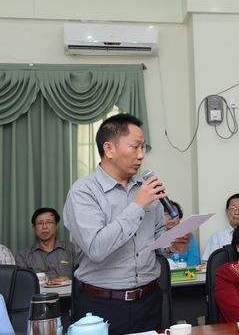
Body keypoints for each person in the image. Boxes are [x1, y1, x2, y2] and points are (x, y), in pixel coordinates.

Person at [63, 113, 190, 334]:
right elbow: (96, 249)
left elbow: (155, 239)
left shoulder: (145, 188)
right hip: (101, 305)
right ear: (109, 149)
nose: (141, 155)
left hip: (149, 300)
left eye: (143, 148)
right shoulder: (83, 192)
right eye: (135, 147)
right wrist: (137, 205)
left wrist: (171, 244)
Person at [15, 207, 75, 280]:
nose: (44, 227)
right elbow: (23, 281)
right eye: (40, 223)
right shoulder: (23, 255)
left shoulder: (72, 249)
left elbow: (81, 278)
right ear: (34, 228)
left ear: (56, 225)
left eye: (49, 222)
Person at [202, 193, 239, 261]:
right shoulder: (217, 237)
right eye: (232, 208)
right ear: (226, 211)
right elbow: (207, 262)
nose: (236, 212)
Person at [165, 200, 200, 266]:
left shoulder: (188, 236)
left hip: (187, 272)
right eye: (166, 214)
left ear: (179, 217)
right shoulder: (155, 237)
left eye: (174, 213)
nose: (170, 217)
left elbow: (195, 261)